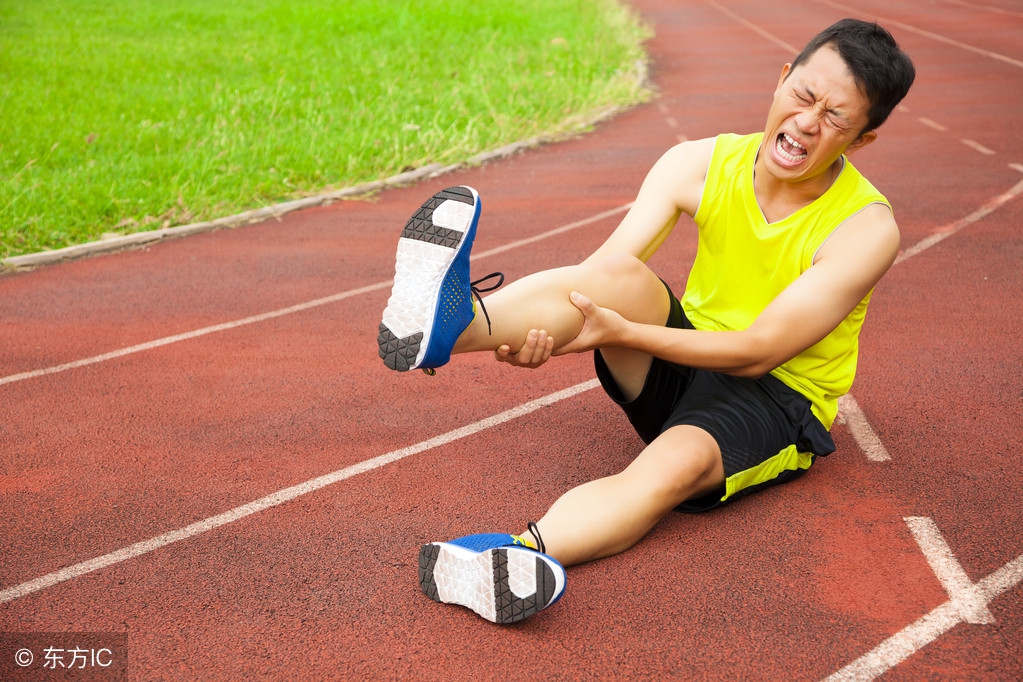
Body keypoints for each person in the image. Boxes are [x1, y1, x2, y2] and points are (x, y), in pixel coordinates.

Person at [377, 18, 915, 624]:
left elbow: (760, 350)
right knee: (619, 276)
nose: (808, 122)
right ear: (782, 78)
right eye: (804, 95)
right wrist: (539, 334)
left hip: (775, 397)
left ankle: (514, 554)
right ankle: (452, 326)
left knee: (671, 468)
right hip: (683, 351)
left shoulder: (865, 229)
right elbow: (597, 276)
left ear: (861, 139)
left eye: (836, 117)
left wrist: (622, 334)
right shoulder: (697, 163)